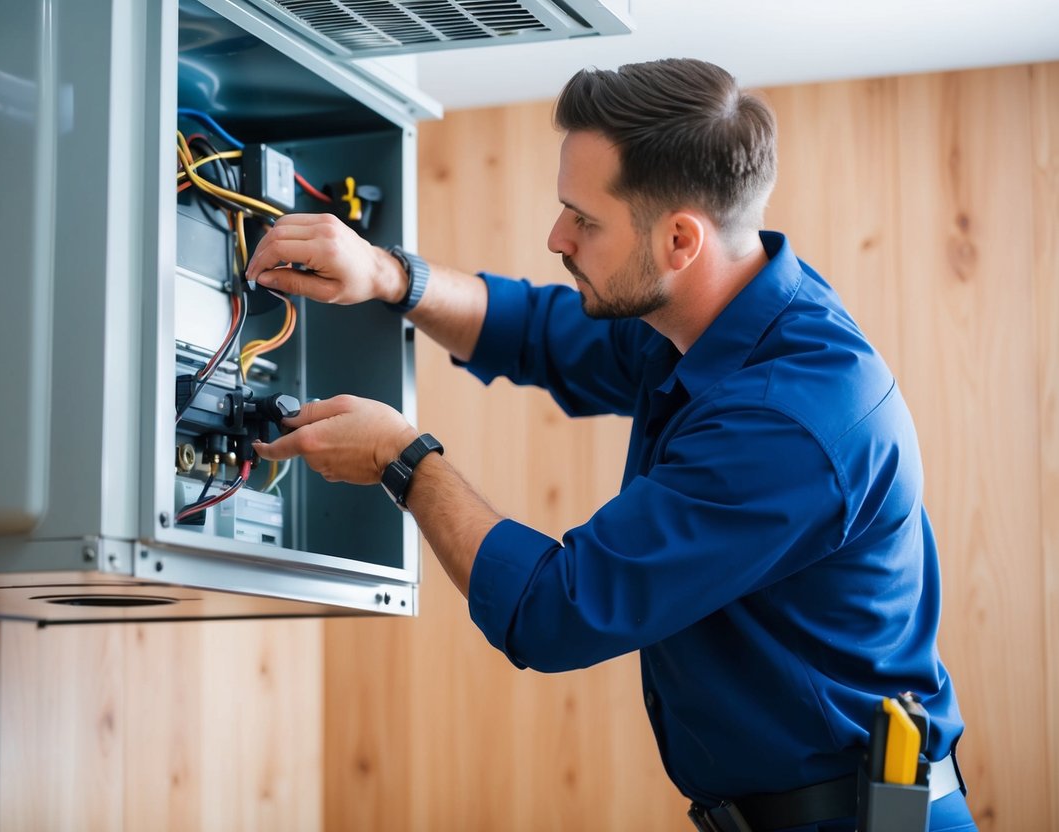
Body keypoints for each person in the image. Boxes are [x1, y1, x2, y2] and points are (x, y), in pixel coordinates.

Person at [247, 59, 975, 831]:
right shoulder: (722, 314)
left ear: (679, 240)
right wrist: (389, 274)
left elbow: (559, 611)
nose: (556, 235)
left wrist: (403, 459)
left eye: (583, 219)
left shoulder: (787, 420)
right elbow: (539, 331)